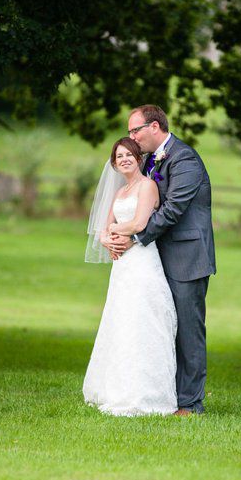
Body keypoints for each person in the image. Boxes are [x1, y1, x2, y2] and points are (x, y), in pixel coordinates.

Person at [104, 105, 216, 415]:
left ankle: (191, 405)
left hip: (187, 257)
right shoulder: (153, 161)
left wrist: (134, 237)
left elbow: (173, 210)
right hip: (158, 258)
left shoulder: (185, 159)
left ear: (155, 127)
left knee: (189, 331)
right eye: (129, 132)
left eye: (135, 130)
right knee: (162, 327)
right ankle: (165, 395)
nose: (132, 137)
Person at [83, 138, 178, 416]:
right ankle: (117, 388)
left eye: (129, 154)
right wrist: (107, 237)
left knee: (142, 321)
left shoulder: (148, 186)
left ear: (139, 158)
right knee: (120, 321)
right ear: (114, 163)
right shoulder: (121, 192)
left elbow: (139, 223)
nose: (124, 159)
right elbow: (103, 227)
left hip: (142, 264)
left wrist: (114, 230)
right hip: (121, 266)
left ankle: (146, 394)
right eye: (119, 156)